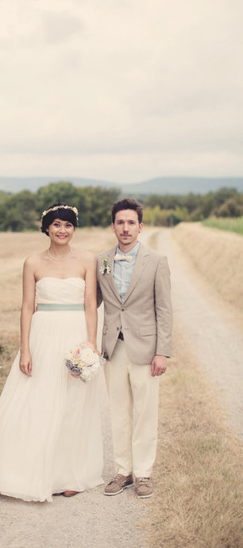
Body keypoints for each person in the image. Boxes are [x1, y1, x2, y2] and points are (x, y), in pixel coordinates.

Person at [0, 203, 104, 502]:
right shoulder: (33, 262)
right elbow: (27, 307)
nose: (63, 230)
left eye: (68, 225)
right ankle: (30, 470)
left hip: (76, 334)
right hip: (43, 335)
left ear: (74, 229)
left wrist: (91, 344)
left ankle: (69, 474)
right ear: (46, 228)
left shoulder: (88, 259)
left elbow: (90, 304)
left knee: (74, 404)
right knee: (38, 399)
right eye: (57, 224)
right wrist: (25, 349)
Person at [97, 198, 172, 499]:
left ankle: (143, 474)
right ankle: (122, 471)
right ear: (113, 226)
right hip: (113, 347)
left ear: (140, 227)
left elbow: (164, 310)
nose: (125, 228)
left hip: (145, 349)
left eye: (131, 223)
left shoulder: (157, 261)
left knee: (145, 413)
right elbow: (93, 302)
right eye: (120, 222)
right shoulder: (101, 260)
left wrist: (162, 351)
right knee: (118, 412)